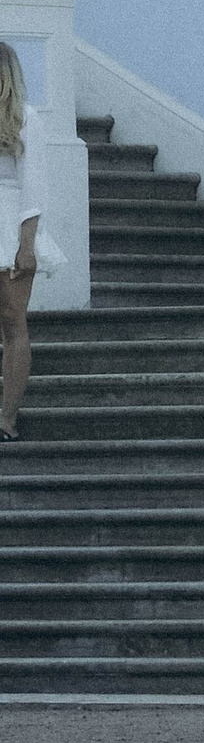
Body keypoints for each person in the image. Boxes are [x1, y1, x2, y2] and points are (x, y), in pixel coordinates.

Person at [0, 37, 49, 445]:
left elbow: (33, 188)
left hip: (10, 225)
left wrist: (27, 244)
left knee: (13, 322)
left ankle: (7, 418)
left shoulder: (25, 119)